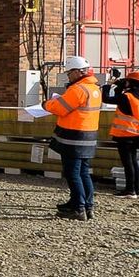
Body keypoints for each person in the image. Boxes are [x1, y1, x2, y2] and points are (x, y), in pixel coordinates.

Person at [45, 55, 103, 220]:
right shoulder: (94, 88)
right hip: (88, 135)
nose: (68, 75)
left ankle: (78, 208)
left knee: (73, 173)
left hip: (74, 136)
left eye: (69, 72)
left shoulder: (78, 89)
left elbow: (60, 108)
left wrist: (46, 104)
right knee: (83, 172)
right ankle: (86, 205)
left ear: (78, 72)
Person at [110, 68, 139, 198]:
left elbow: (107, 99)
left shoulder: (127, 97)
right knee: (133, 162)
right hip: (137, 135)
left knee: (128, 163)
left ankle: (130, 190)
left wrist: (108, 85)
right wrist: (120, 86)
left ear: (131, 83)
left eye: (127, 80)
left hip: (125, 135)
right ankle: (137, 190)